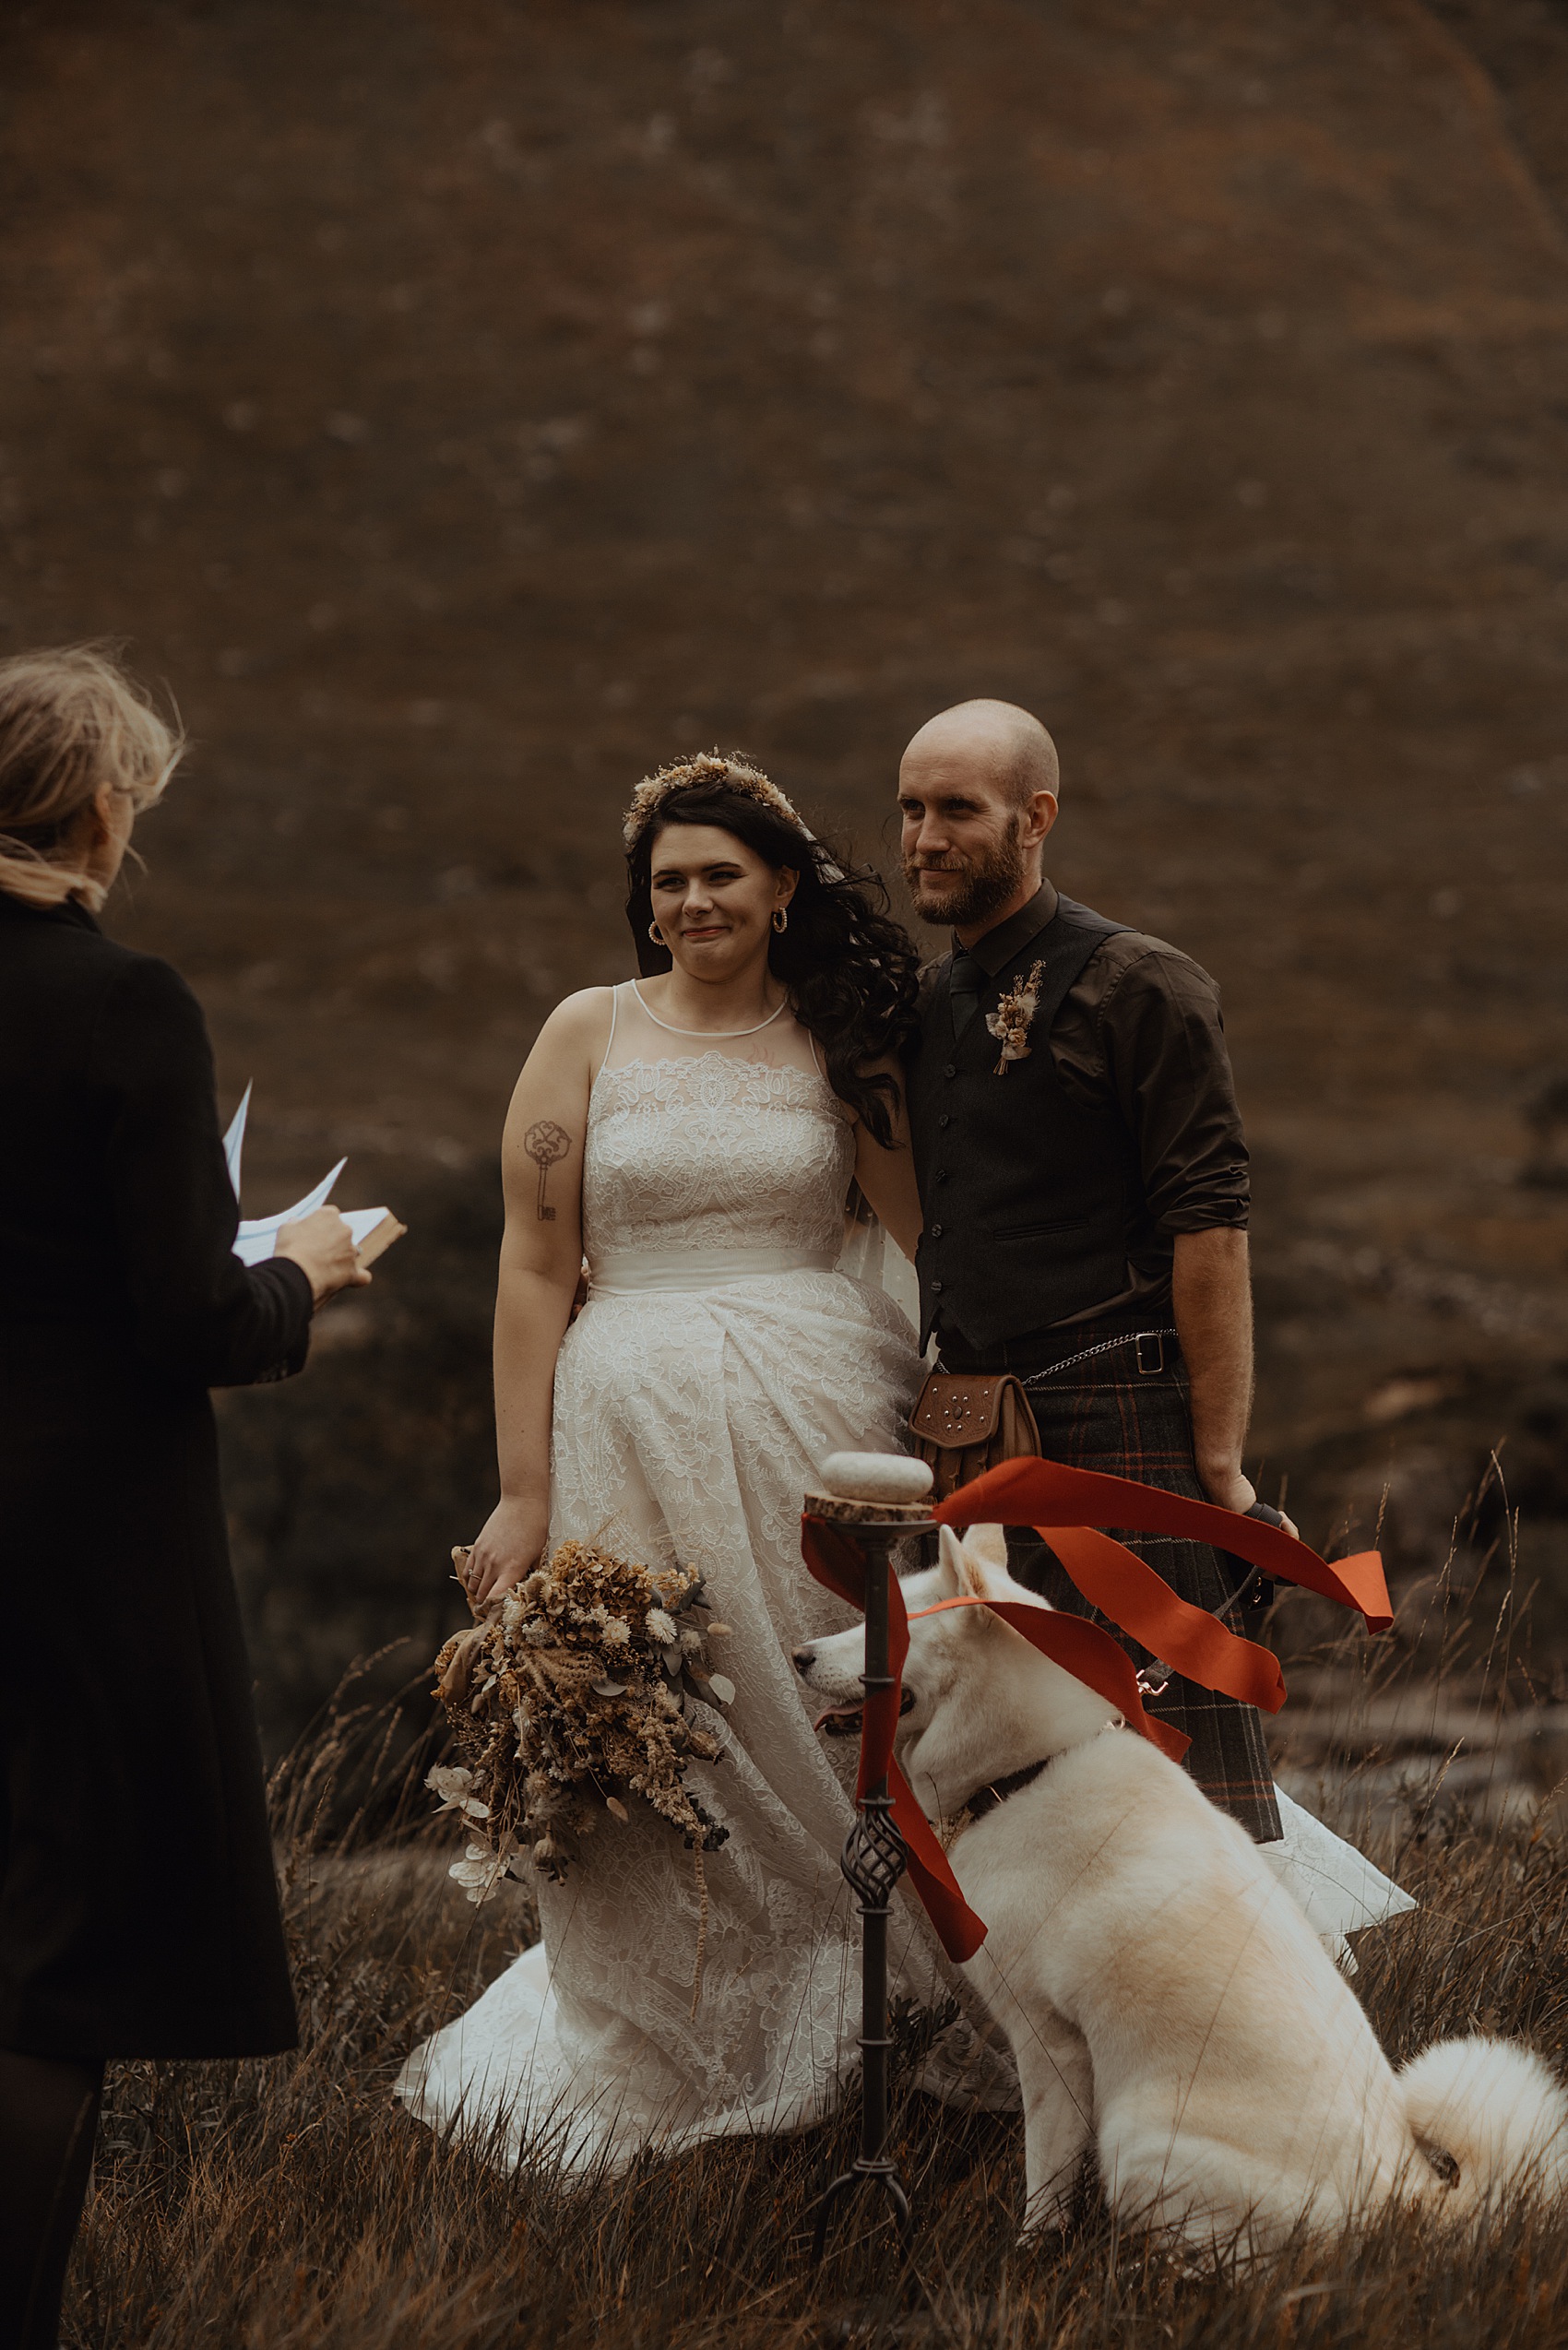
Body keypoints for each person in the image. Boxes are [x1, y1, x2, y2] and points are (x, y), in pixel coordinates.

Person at [396, 752, 1013, 2173]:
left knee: (831, 1713)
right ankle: (679, 2056)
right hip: (623, 1427)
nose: (692, 902)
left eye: (720, 875)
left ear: (782, 887)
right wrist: (524, 1491)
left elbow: (928, 1240)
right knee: (668, 1730)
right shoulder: (586, 1033)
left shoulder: (842, 1040)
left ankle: (902, 2023)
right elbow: (534, 1261)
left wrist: (980, 1406)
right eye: (666, 881)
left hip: (819, 1420)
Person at [0, 645, 368, 2350]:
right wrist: (301, 1266)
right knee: (53, 1952)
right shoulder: (122, 1005)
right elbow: (188, 1317)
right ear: (100, 805)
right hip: (74, 1540)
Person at [899, 696, 1292, 1842]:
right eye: (911, 809)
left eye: (956, 809)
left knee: (1184, 1799)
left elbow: (1210, 1227)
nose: (924, 836)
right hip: (973, 1437)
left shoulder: (1142, 985)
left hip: (1122, 1420)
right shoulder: (927, 1004)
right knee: (1018, 1806)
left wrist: (1216, 1466)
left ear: (1036, 817)